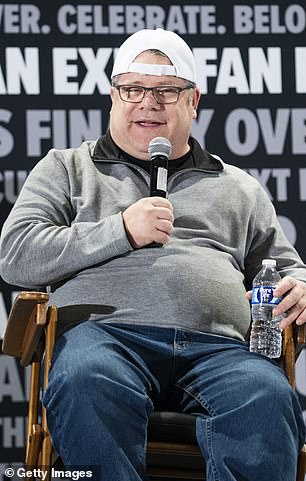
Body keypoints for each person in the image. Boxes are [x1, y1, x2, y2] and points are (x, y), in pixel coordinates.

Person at [0, 28, 306, 481]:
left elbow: (284, 265)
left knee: (267, 394)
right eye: (133, 89)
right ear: (112, 97)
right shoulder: (67, 167)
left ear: (193, 101)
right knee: (86, 378)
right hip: (104, 337)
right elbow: (16, 253)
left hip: (219, 350)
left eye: (166, 90)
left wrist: (298, 286)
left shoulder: (238, 186)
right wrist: (120, 230)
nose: (149, 102)